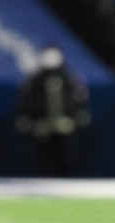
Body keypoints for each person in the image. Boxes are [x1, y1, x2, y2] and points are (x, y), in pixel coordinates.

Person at [15, 45, 91, 177]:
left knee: (67, 160)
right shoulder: (35, 80)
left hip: (66, 130)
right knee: (42, 162)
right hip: (41, 130)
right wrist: (32, 124)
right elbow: (25, 103)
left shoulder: (70, 78)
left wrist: (75, 120)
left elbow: (79, 102)